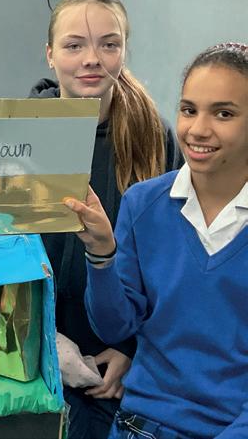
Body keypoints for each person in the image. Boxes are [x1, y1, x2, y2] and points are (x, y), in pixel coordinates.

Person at [65, 42, 248, 439]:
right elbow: (115, 328)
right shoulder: (144, 204)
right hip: (137, 426)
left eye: (224, 113)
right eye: (189, 110)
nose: (198, 129)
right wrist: (101, 254)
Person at [28, 0, 180, 439]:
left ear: (124, 50)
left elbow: (169, 258)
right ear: (50, 54)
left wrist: (132, 348)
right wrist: (39, 338)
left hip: (112, 357)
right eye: (74, 45)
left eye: (109, 44)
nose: (92, 59)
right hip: (31, 342)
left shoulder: (155, 137)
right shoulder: (20, 134)